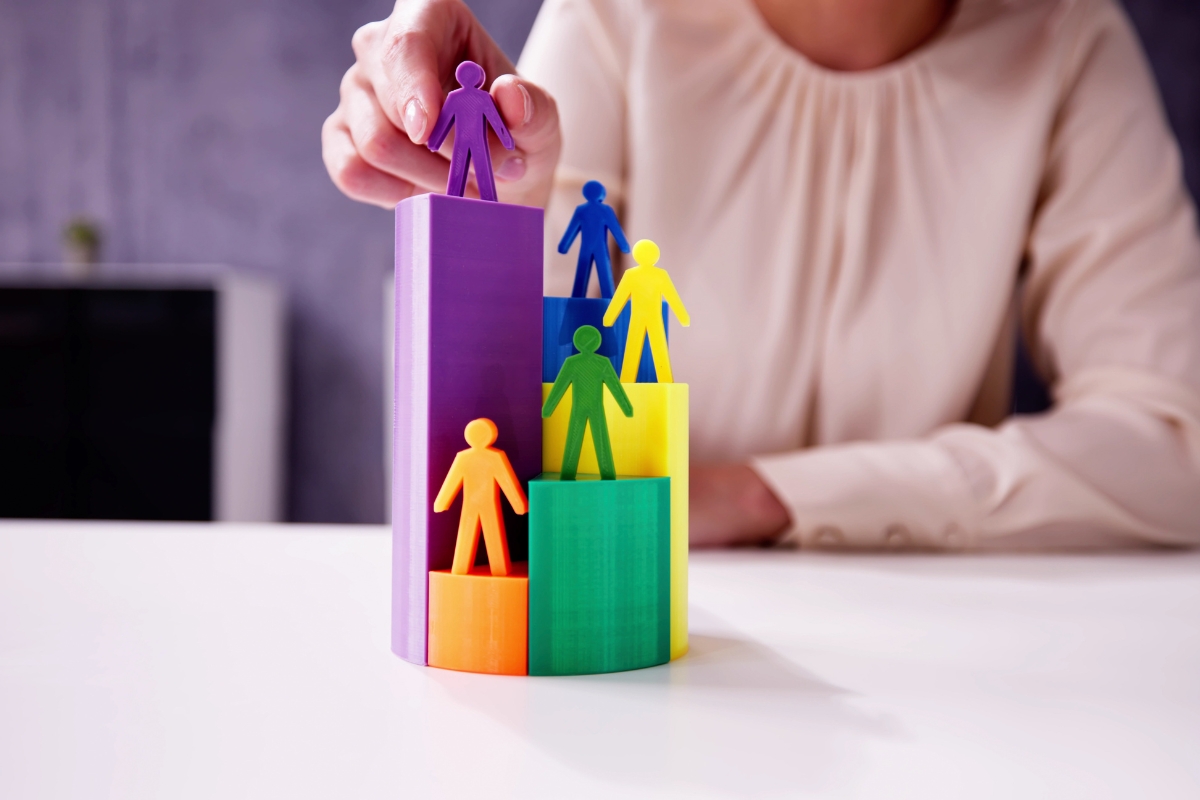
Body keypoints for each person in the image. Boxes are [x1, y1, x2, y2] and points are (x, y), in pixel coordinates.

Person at [324, 0, 1200, 551]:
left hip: (937, 649)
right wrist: (503, 219)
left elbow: (1175, 443)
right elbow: (502, 439)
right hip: (637, 655)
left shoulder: (1069, 39)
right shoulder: (616, 21)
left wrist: (764, 496)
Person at [433, 418, 528, 576]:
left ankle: (493, 569)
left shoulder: (491, 457)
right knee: (482, 534)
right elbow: (453, 480)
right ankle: (488, 569)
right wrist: (518, 504)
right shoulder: (469, 457)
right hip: (475, 504)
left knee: (487, 534)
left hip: (483, 504)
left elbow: (506, 481)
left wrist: (441, 502)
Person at [542, 325, 634, 480]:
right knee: (599, 438)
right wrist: (626, 408)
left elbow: (559, 387)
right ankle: (605, 474)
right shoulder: (600, 363)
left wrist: (548, 408)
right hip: (593, 407)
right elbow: (615, 387)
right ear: (595, 342)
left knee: (577, 437)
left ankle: (572, 474)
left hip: (583, 407)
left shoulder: (574, 363)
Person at [602, 239, 691, 383]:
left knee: (635, 347)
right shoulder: (656, 274)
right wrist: (683, 316)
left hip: (642, 317)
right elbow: (673, 297)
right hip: (649, 317)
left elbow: (619, 298)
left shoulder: (635, 274)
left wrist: (609, 317)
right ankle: (664, 382)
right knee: (657, 347)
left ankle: (628, 381)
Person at [559, 180, 631, 298]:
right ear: (601, 193)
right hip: (600, 247)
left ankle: (578, 297)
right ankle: (607, 297)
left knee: (583, 271)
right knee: (603, 271)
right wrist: (623, 245)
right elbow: (615, 229)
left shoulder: (581, 210)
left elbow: (571, 229)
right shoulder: (604, 210)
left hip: (587, 247)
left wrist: (564, 245)